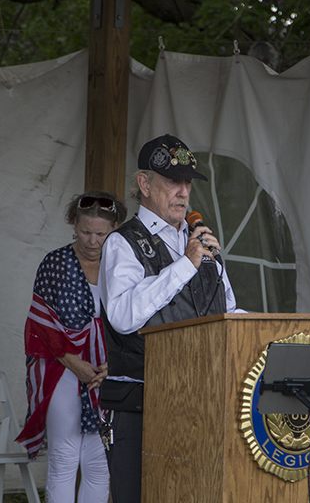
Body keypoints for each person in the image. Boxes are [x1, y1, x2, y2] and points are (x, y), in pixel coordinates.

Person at [98, 134, 240, 503]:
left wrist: (276, 329)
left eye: (188, 183)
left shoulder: (199, 243)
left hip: (201, 399)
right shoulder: (122, 242)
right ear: (145, 184)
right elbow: (123, 316)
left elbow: (227, 313)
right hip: (141, 402)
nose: (183, 192)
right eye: (172, 181)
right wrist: (185, 265)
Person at [16, 190, 127, 503]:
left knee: (100, 461)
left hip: (108, 368)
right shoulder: (55, 263)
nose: (92, 241)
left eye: (101, 234)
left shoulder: (124, 264)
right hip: (61, 366)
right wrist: (73, 362)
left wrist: (114, 364)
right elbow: (40, 325)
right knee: (65, 458)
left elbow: (137, 321)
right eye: (85, 232)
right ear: (73, 226)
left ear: (115, 228)